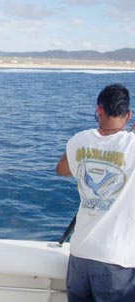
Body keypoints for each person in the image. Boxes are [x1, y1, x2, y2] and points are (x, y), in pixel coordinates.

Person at [56, 83, 135, 302]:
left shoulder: (79, 139)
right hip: (118, 261)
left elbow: (62, 170)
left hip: (80, 254)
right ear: (128, 115)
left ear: (99, 110)